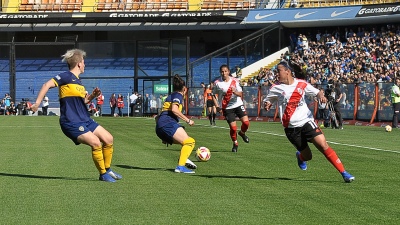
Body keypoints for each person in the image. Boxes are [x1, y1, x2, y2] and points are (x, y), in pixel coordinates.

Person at [30, 48, 122, 183]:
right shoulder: (66, 76)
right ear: (79, 63)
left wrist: (92, 96)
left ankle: (108, 169)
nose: (85, 65)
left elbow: (82, 102)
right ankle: (103, 174)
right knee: (96, 143)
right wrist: (37, 103)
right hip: (71, 122)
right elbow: (46, 85)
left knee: (108, 138)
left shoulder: (78, 82)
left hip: (85, 119)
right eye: (84, 62)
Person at [263, 61, 355, 183]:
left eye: (278, 71)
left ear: (287, 71)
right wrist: (267, 104)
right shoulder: (275, 88)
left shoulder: (301, 84)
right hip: (291, 128)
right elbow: (268, 101)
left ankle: (344, 173)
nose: (276, 74)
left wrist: (321, 96)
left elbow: (317, 92)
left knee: (323, 145)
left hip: (306, 121)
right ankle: (300, 157)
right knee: (308, 156)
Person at [155, 74, 197, 174]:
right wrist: (188, 120)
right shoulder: (178, 95)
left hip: (160, 126)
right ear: (185, 89)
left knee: (186, 141)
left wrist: (163, 136)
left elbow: (157, 117)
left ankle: (184, 160)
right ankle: (180, 166)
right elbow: (175, 109)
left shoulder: (170, 96)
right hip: (167, 124)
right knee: (190, 142)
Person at [212, 64, 250, 152]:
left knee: (246, 123)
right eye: (222, 71)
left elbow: (240, 94)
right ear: (220, 72)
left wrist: (235, 92)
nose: (224, 73)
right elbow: (213, 94)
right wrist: (217, 106)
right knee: (233, 128)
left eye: (225, 71)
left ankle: (242, 133)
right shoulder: (217, 83)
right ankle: (235, 143)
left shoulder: (235, 81)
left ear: (229, 71)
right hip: (227, 108)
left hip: (238, 104)